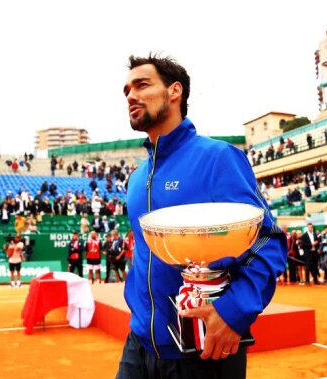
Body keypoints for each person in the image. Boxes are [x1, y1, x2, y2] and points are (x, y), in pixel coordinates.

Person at [117, 54, 286, 378]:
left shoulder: (217, 158)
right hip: (139, 344)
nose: (131, 96)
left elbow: (267, 239)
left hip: (203, 351)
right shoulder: (137, 178)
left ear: (174, 91)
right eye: (126, 90)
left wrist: (233, 312)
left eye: (142, 85)